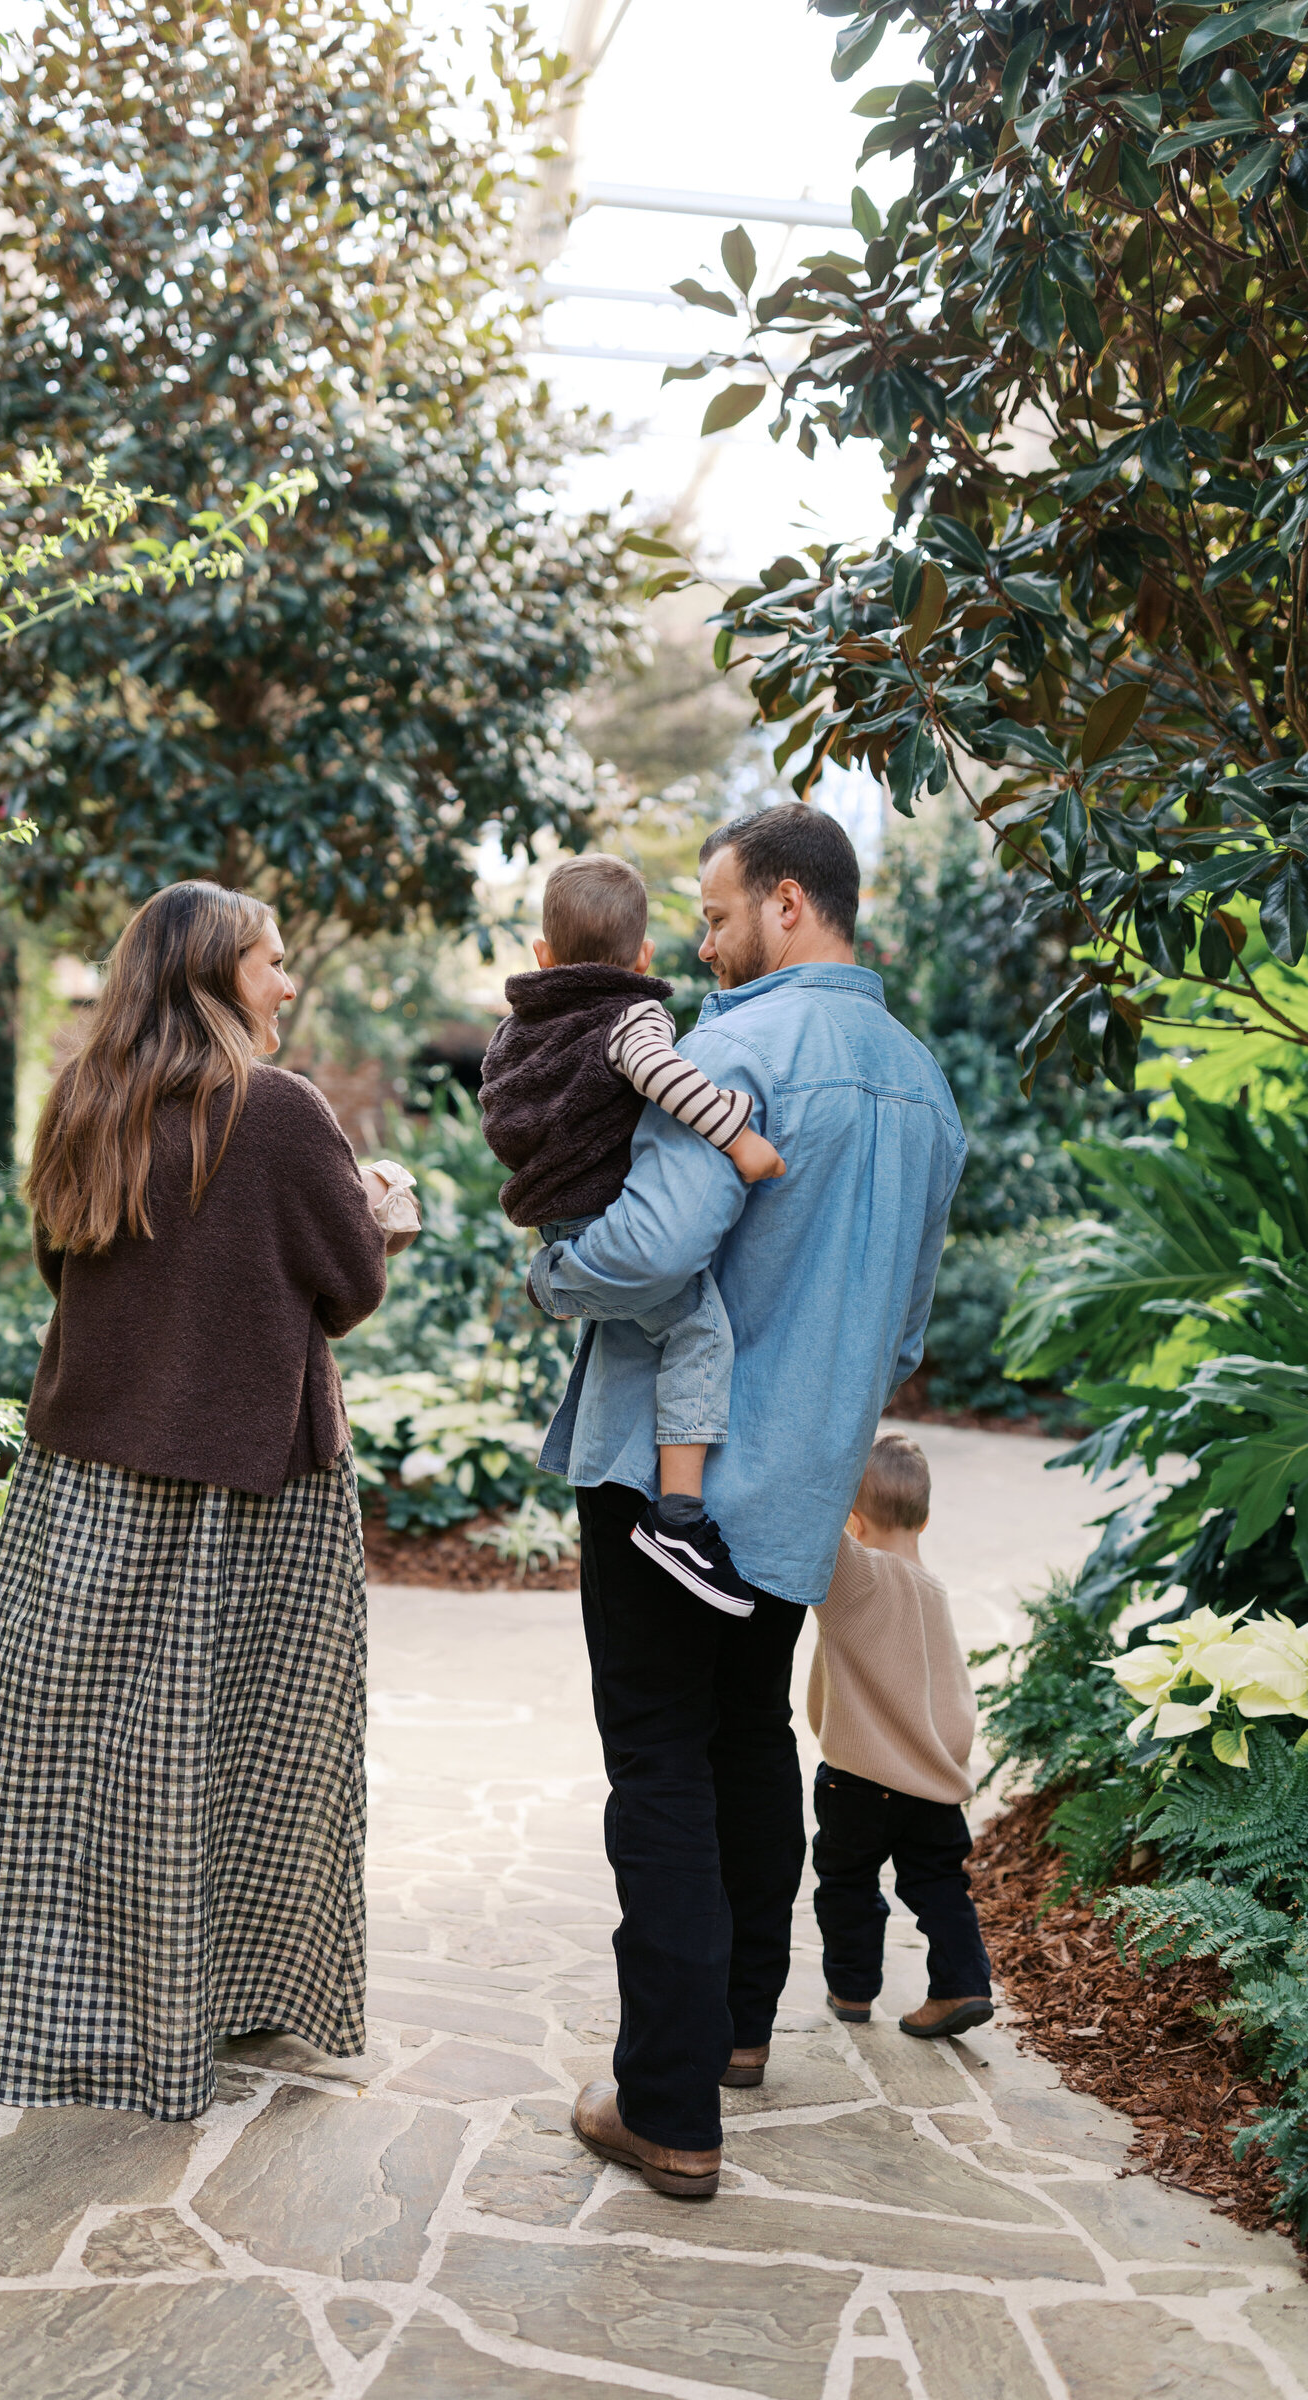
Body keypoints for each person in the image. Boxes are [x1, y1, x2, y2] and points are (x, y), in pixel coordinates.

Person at [537, 803, 965, 2202]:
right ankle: (728, 2037)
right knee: (741, 1740)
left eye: (717, 915)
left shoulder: (734, 1049)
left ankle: (664, 2109)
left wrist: (549, 1270)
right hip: (797, 1494)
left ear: (789, 902)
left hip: (672, 1477)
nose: (703, 944)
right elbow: (903, 1334)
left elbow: (655, 1253)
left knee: (658, 1762)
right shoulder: (924, 1087)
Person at [0, 881, 395, 2121]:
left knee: (64, 1763)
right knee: (253, 1761)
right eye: (271, 963)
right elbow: (342, 1284)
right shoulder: (279, 1114)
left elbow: (70, 1268)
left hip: (79, 1487)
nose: (287, 984)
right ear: (210, 973)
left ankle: (47, 2013)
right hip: (251, 1499)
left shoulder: (85, 1103)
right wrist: (381, 1211)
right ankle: (220, 2001)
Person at [479, 855, 785, 1615]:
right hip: (602, 1209)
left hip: (559, 1209)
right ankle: (679, 1517)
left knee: (657, 1328)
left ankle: (557, 1273)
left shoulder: (521, 1026)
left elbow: (501, 1107)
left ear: (543, 958)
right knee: (699, 1331)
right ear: (643, 957)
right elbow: (665, 1077)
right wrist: (741, 1140)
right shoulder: (630, 1014)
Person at [809, 1433, 993, 2042]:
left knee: (848, 1886)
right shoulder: (934, 1591)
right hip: (932, 1782)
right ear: (926, 1518)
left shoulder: (857, 1575)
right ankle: (962, 1984)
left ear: (853, 1523)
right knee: (941, 1886)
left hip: (859, 1780)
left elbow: (810, 1521)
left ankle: (851, 1990)